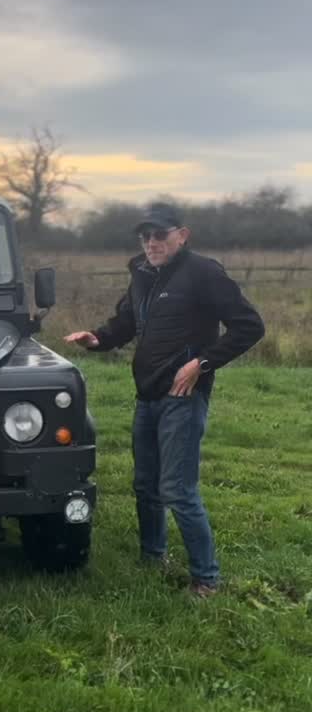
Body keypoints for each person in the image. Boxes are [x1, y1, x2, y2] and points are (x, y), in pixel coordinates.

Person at [65, 204, 265, 597]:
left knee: (177, 489)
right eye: (146, 236)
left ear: (182, 235)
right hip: (148, 394)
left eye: (160, 235)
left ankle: (207, 579)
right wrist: (98, 339)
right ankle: (152, 556)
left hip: (182, 397)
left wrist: (201, 364)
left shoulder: (204, 273)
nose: (152, 243)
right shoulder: (142, 274)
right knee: (145, 485)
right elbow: (126, 322)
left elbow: (250, 326)